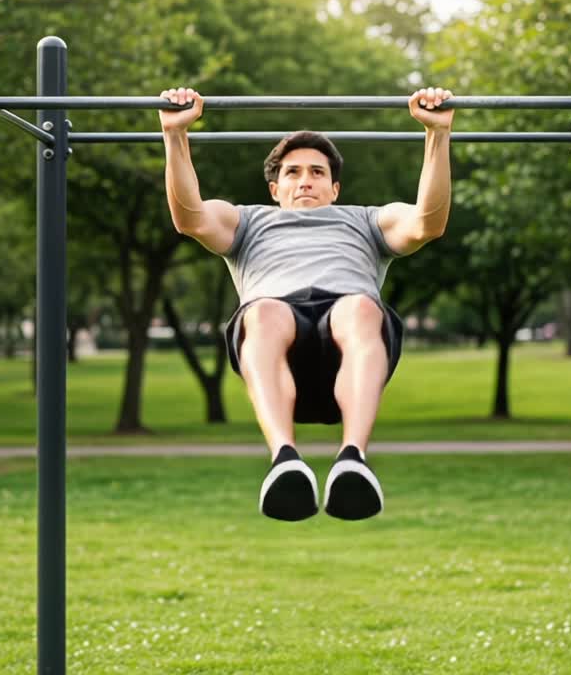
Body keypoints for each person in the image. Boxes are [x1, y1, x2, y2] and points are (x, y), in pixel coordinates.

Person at [158, 86, 454, 522]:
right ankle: (284, 460)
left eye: (317, 172)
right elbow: (190, 217)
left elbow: (428, 222)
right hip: (278, 344)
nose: (305, 180)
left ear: (334, 188)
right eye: (293, 172)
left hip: (349, 345)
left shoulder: (366, 220)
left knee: (359, 308)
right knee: (264, 311)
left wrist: (437, 135)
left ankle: (353, 457)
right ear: (275, 188)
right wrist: (175, 135)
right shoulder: (248, 220)